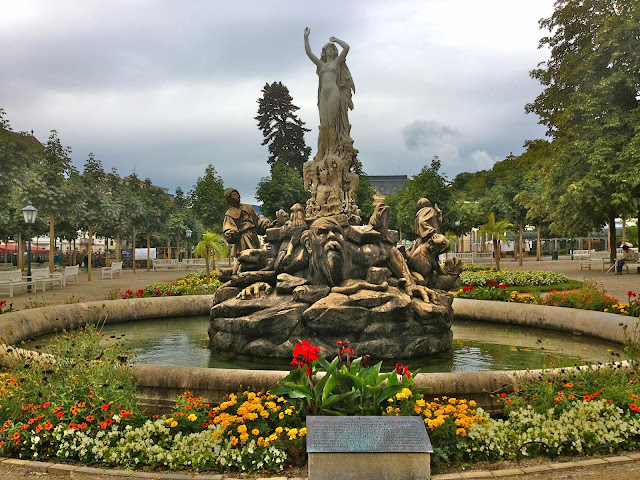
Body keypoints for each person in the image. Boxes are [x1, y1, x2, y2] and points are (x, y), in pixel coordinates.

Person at [304, 27, 355, 161]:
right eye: (327, 49)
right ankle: (324, 150)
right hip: (323, 94)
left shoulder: (337, 63)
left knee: (331, 123)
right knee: (324, 125)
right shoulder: (321, 65)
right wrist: (306, 37)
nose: (330, 50)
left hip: (333, 91)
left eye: (332, 49)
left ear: (335, 52)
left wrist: (336, 40)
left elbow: (347, 48)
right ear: (324, 52)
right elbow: (308, 53)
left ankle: (332, 150)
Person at [222, 188, 272, 256]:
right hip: (242, 238)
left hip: (253, 236)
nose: (237, 195)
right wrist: (231, 233)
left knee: (257, 256)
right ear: (230, 199)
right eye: (234, 194)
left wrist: (265, 224)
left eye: (237, 193)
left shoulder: (249, 207)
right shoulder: (229, 214)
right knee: (245, 257)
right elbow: (228, 227)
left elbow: (258, 220)